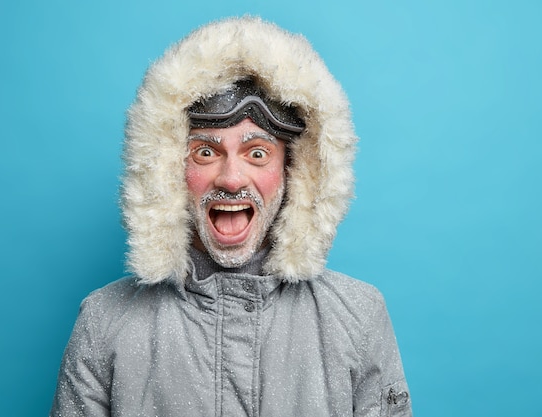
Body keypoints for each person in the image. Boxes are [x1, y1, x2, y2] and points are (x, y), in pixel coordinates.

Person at [50, 17, 412, 417]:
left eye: (258, 153)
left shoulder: (358, 317)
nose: (231, 178)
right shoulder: (104, 324)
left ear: (295, 172)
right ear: (167, 168)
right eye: (205, 152)